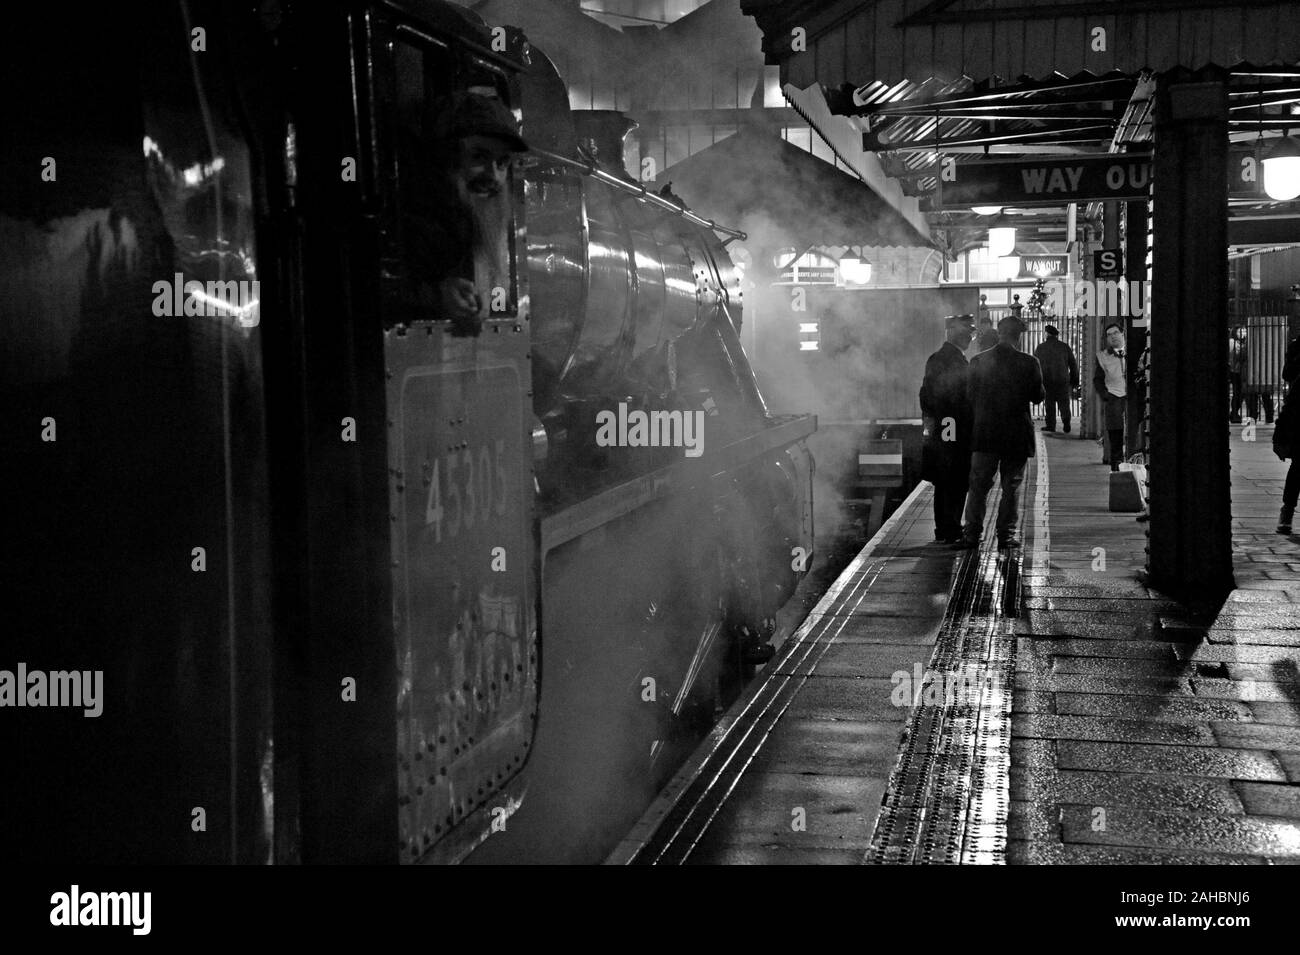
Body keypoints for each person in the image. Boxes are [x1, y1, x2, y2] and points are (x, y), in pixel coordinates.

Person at [407, 91, 528, 336]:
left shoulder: (468, 220)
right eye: (479, 157)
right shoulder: (414, 218)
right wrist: (436, 296)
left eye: (502, 163)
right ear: (449, 157)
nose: (493, 176)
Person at [959, 314, 1045, 550]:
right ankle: (1005, 536)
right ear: (1019, 335)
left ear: (999, 331)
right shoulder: (1029, 362)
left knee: (978, 486)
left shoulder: (978, 361)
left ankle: (972, 534)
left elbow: (969, 396)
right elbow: (1038, 396)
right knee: (1011, 487)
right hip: (1016, 434)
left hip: (985, 432)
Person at [920, 313, 976, 543]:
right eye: (967, 334)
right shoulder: (954, 360)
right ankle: (950, 527)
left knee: (944, 479)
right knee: (955, 476)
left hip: (942, 425)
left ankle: (944, 527)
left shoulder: (937, 358)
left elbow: (925, 395)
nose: (970, 338)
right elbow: (958, 396)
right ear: (955, 334)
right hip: (952, 425)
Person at [1093, 323, 1128, 471]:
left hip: (1132, 399)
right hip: (1114, 398)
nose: (1113, 336)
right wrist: (1106, 395)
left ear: (1122, 333)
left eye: (1115, 333)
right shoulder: (1102, 357)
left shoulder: (1134, 352)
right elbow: (1098, 379)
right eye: (1109, 334)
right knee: (1115, 435)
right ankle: (1117, 470)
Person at [1034, 324, 1079, 433]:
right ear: (1056, 335)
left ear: (1047, 334)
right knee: (1064, 402)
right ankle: (1066, 421)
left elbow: (1035, 365)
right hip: (1062, 380)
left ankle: (1051, 425)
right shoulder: (1064, 347)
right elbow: (1073, 364)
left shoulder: (1041, 347)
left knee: (1049, 403)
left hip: (1047, 379)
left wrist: (1036, 381)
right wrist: (1075, 380)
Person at [1276, 332, 1300, 534]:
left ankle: (1287, 511)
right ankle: (1288, 510)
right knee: (1299, 466)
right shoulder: (1297, 346)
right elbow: (1287, 374)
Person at [1229, 328, 1246, 424]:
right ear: (1235, 333)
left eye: (1244, 331)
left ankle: (1234, 413)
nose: (1243, 333)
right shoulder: (1232, 342)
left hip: (1240, 371)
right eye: (1240, 331)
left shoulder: (1242, 343)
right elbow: (1235, 356)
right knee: (1237, 393)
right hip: (1235, 370)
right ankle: (1234, 414)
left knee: (1241, 393)